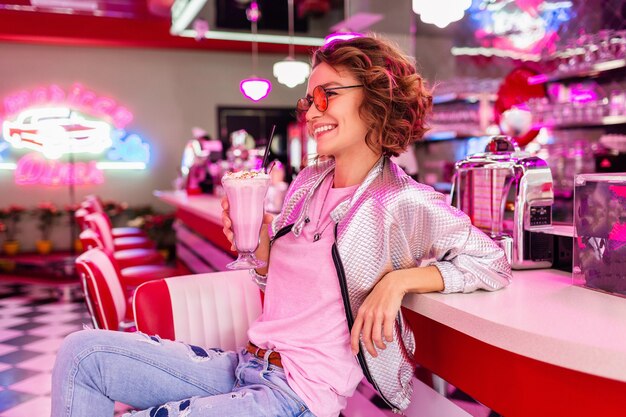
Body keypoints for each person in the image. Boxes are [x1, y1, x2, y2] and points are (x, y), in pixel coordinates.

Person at [51, 35, 511, 417]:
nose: (310, 113)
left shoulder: (401, 200)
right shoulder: (310, 181)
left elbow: (492, 260)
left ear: (376, 98)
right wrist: (260, 244)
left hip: (295, 395)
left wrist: (399, 281)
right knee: (82, 353)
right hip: (247, 365)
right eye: (307, 100)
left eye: (325, 95)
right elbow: (291, 280)